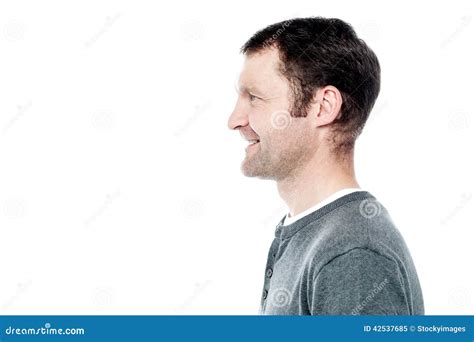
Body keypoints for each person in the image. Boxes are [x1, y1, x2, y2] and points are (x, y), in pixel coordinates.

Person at [228, 17, 424, 315]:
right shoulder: (315, 234)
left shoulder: (352, 253)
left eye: (254, 97)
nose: (235, 121)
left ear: (322, 107)